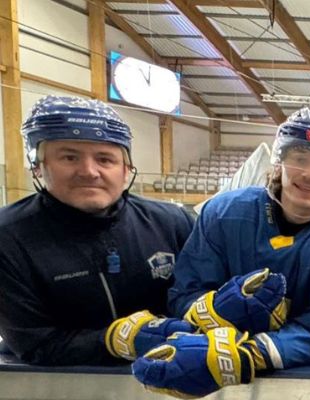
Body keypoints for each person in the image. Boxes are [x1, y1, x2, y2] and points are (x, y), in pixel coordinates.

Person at [131, 108, 310, 399]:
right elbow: (184, 292)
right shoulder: (223, 212)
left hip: (301, 391)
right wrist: (215, 314)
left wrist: (245, 354)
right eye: (300, 159)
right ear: (280, 161)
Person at [0, 95, 194, 366]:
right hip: (62, 387)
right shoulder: (9, 237)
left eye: (105, 159)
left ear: (126, 169)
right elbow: (36, 344)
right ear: (38, 166)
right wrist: (114, 341)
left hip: (175, 379)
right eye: (69, 157)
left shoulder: (172, 222)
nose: (89, 171)